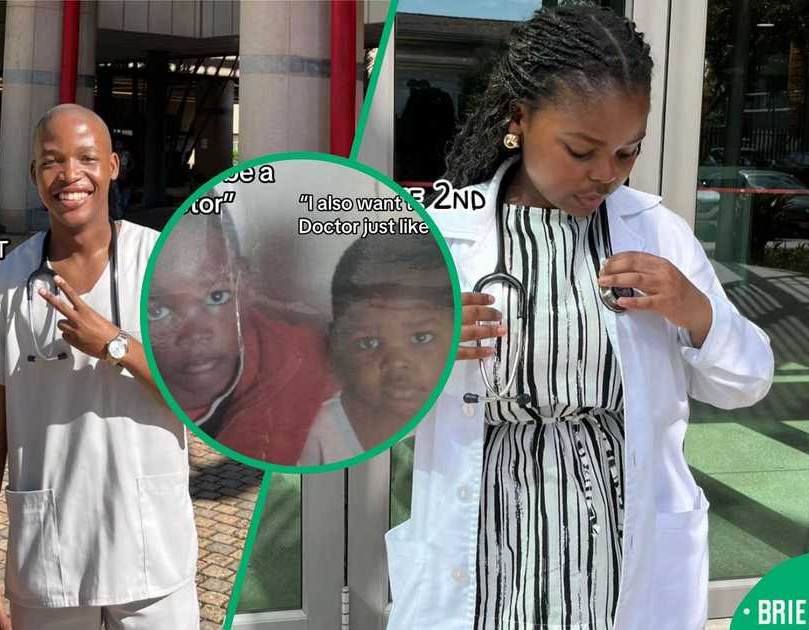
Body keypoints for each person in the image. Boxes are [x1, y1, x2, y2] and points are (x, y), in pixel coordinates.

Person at [384, 7, 774, 630]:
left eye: (626, 152)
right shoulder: (439, 235)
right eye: (581, 150)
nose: (606, 174)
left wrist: (696, 310)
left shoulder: (659, 233)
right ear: (519, 120)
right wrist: (412, 346)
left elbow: (746, 382)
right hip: (483, 541)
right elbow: (358, 396)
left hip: (619, 543)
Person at [0, 103, 198, 630]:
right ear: (34, 175)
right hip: (51, 562)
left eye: (86, 158)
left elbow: (200, 395)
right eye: (52, 161)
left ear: (113, 166)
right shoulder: (6, 283)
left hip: (152, 556)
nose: (70, 175)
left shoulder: (164, 264)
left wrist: (115, 344)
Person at [147, 211, 337, 465]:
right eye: (157, 311)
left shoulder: (311, 357)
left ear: (244, 284)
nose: (195, 334)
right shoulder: (125, 396)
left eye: (217, 296)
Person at [297, 233, 453, 466]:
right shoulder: (313, 435)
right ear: (335, 344)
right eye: (368, 343)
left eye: (421, 338)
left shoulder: (464, 418)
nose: (397, 362)